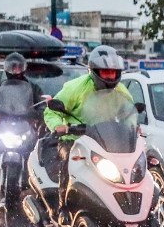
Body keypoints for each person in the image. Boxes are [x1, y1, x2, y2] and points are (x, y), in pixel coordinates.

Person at [41, 45, 134, 212]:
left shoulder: (121, 91)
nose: (110, 76)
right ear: (94, 71)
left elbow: (129, 113)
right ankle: (63, 208)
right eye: (106, 72)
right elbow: (51, 111)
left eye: (113, 72)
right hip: (74, 139)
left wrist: (134, 128)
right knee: (69, 161)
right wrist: (59, 126)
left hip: (105, 139)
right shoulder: (75, 88)